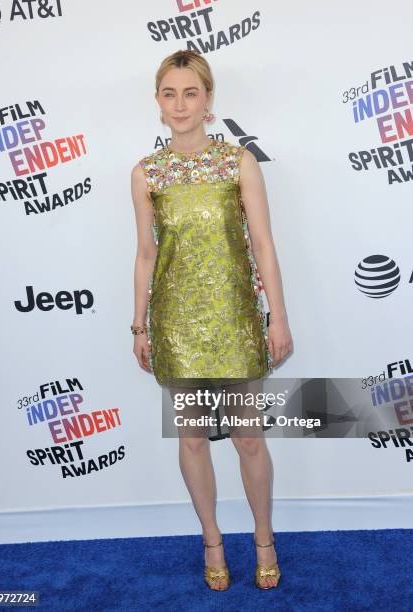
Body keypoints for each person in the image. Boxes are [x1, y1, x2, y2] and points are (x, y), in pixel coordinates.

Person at [131, 49, 293, 591]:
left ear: (208, 101)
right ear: (158, 102)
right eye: (170, 93)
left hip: (238, 320)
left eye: (191, 93)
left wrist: (278, 318)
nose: (180, 104)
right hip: (177, 325)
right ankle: (212, 540)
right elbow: (146, 255)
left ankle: (264, 539)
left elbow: (264, 245)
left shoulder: (236, 162)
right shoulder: (146, 173)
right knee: (193, 438)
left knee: (249, 438)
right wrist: (139, 326)